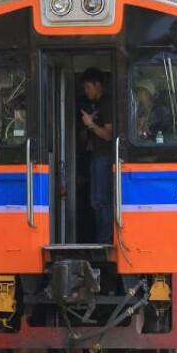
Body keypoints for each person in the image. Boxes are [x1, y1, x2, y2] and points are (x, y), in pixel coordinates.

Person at [80, 68, 114, 244]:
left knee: (102, 200)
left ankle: (105, 239)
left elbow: (109, 135)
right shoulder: (97, 105)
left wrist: (91, 124)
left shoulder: (106, 103)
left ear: (97, 85)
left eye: (88, 87)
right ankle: (101, 238)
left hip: (105, 157)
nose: (86, 91)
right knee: (95, 200)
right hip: (96, 156)